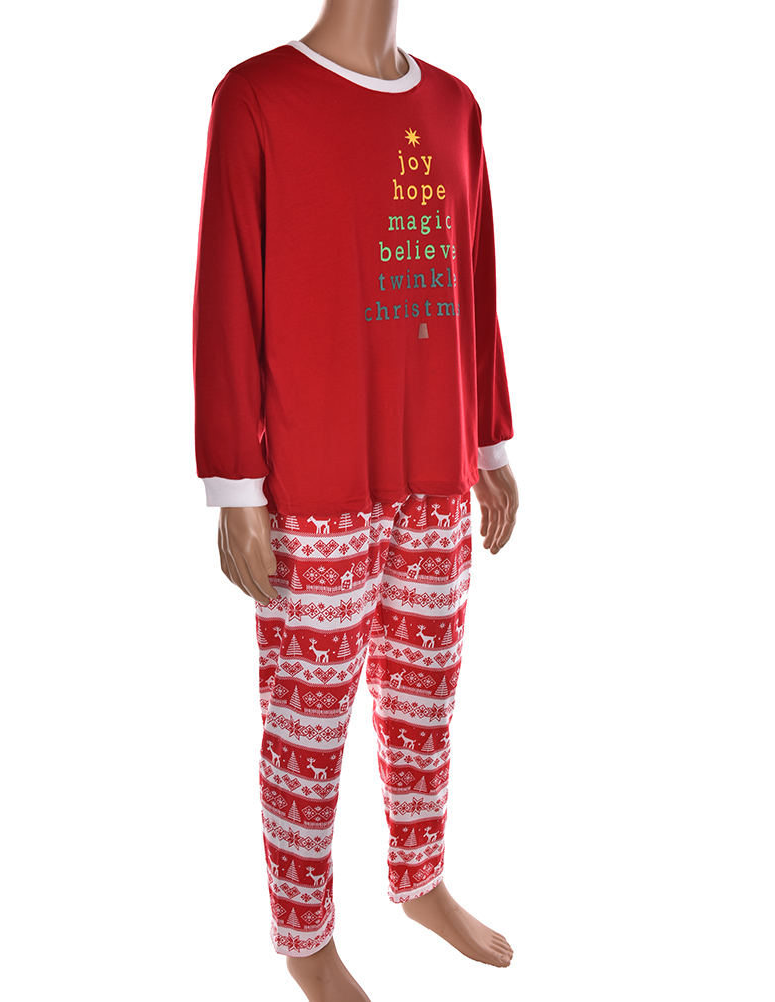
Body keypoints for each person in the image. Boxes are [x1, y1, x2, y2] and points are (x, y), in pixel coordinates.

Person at [192, 2, 518, 998]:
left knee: (426, 697)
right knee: (308, 727)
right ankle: (307, 941)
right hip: (314, 478)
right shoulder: (257, 98)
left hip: (435, 468)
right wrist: (236, 487)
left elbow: (474, 279)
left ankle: (420, 880)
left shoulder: (455, 107)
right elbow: (225, 293)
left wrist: (491, 442)